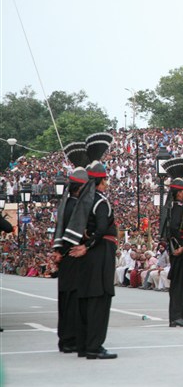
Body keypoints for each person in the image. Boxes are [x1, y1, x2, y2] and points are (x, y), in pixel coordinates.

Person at [69, 132, 118, 360]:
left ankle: (83, 345)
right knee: (100, 299)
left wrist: (84, 243)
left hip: (87, 257)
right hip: (100, 253)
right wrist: (89, 245)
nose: (107, 184)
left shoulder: (82, 200)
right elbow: (102, 227)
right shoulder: (100, 201)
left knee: (86, 299)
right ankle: (94, 346)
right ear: (100, 181)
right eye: (105, 180)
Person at [51, 163, 89, 353]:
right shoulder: (75, 207)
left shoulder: (65, 204)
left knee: (65, 298)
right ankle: (71, 339)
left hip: (65, 256)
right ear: (80, 188)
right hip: (73, 255)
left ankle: (65, 338)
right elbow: (81, 234)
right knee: (73, 298)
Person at [160, 157, 183, 328]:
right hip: (182, 248)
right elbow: (173, 229)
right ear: (179, 193)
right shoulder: (177, 209)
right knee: (178, 283)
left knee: (181, 282)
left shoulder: (179, 208)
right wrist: (179, 246)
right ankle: (176, 316)